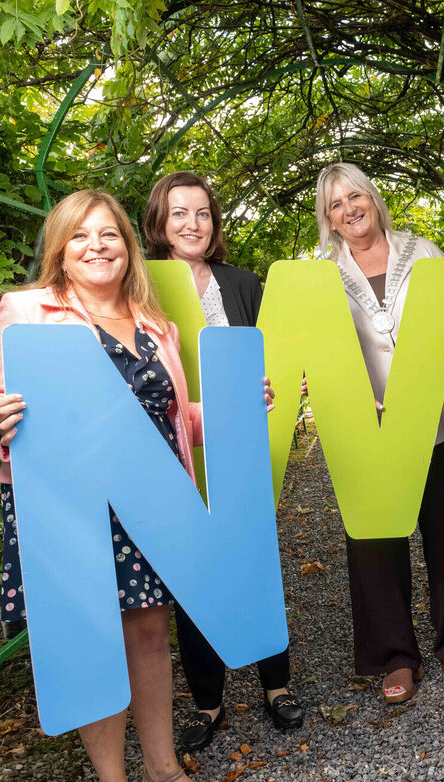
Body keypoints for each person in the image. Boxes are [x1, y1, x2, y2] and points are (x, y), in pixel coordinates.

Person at [0, 189, 262, 782]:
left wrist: (236, 407)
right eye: (80, 235)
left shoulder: (157, 325)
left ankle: (164, 775)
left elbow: (174, 415)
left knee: (151, 634)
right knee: (89, 638)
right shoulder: (26, 312)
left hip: (151, 501)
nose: (96, 246)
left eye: (108, 235)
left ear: (128, 248)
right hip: (68, 504)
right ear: (60, 248)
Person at [313, 162, 444, 705]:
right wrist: (344, 392)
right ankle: (393, 656)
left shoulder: (424, 252)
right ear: (329, 219)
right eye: (337, 204)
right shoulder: (322, 272)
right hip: (364, 424)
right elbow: (319, 350)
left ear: (373, 197)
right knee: (374, 542)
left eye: (356, 195)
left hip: (430, 418)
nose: (350, 209)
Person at [143, 170, 303, 747]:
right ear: (160, 221)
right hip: (179, 447)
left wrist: (272, 389)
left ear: (215, 222)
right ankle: (208, 701)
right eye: (179, 212)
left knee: (256, 558)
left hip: (241, 444)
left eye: (203, 213)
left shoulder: (242, 284)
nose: (192, 224)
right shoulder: (143, 288)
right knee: (194, 572)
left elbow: (276, 360)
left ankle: (276, 685)